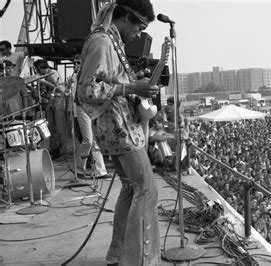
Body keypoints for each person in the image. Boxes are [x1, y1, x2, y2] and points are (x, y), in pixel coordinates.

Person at [75, 1, 160, 265]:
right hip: (118, 128)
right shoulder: (102, 42)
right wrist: (131, 88)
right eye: (140, 26)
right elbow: (86, 91)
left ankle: (118, 255)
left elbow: (114, 82)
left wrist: (136, 84)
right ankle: (141, 260)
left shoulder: (113, 42)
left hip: (117, 127)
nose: (139, 34)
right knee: (147, 189)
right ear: (125, 18)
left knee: (130, 189)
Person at [34, 59, 73, 159]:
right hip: (49, 101)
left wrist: (44, 82)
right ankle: (55, 148)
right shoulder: (44, 75)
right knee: (51, 127)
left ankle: (65, 151)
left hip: (58, 100)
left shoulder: (52, 73)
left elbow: (61, 89)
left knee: (60, 126)